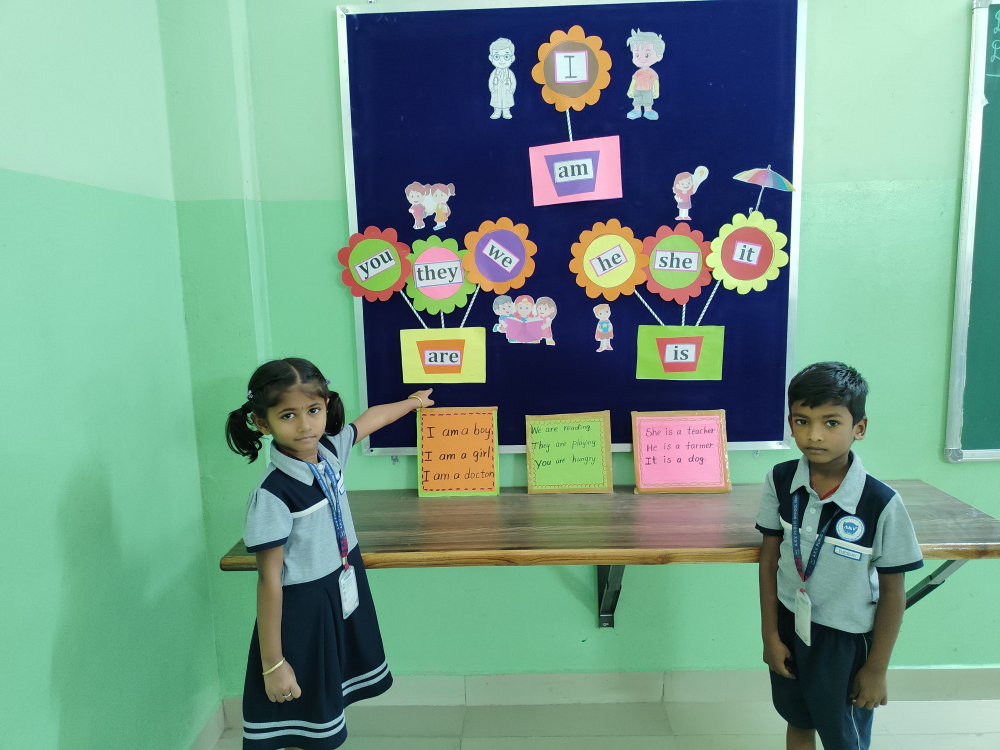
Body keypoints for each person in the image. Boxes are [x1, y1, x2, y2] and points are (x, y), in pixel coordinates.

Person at [225, 358, 434, 750]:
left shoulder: (329, 451)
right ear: (262, 423)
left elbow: (371, 420)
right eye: (288, 415)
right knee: (301, 711)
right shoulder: (272, 495)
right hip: (303, 612)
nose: (305, 425)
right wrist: (273, 663)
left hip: (339, 588)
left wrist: (414, 403)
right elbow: (269, 581)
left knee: (326, 702)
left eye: (313, 410)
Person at [756, 362, 923, 750]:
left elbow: (893, 591)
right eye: (802, 421)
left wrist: (876, 668)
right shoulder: (780, 479)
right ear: (791, 422)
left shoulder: (881, 502)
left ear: (859, 428)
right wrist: (770, 636)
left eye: (831, 423)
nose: (814, 435)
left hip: (845, 641)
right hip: (790, 624)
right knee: (798, 718)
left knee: (843, 738)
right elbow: (769, 560)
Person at [625, 29, 664, 121]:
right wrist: (630, 90)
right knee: (637, 101)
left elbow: (655, 81)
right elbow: (633, 81)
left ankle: (648, 111)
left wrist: (657, 91)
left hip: (648, 91)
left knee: (647, 101)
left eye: (647, 55)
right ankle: (636, 111)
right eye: (637, 55)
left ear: (658, 56)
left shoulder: (651, 72)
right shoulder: (638, 72)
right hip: (637, 90)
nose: (641, 59)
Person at [488, 38, 516, 120]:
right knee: (497, 103)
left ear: (512, 58)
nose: (501, 60)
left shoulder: (510, 73)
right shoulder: (494, 73)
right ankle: (496, 112)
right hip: (496, 91)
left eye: (506, 56)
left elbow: (513, 82)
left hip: (507, 91)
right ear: (491, 58)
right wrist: (492, 89)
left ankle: (506, 112)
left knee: (506, 103)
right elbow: (490, 81)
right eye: (497, 56)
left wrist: (512, 90)